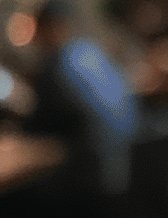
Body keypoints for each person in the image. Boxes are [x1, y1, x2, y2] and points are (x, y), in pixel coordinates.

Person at [26, 0, 139, 195]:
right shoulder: (90, 52)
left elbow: (37, 128)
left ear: (44, 27)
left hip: (96, 181)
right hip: (134, 166)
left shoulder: (55, 68)